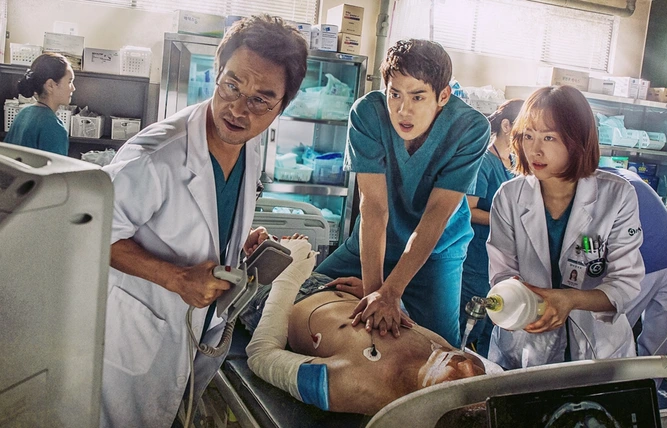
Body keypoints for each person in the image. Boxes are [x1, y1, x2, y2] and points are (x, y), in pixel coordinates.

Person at [99, 15, 308, 427]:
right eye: (232, 86)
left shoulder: (248, 146)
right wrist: (176, 278)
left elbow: (202, 216)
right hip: (137, 336)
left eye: (260, 100)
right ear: (217, 73)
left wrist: (237, 240)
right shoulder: (154, 156)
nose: (238, 109)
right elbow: (92, 233)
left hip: (199, 332)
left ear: (282, 106)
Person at [315, 39, 490, 347]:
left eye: (417, 97)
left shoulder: (470, 128)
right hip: (372, 244)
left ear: (443, 96)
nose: (403, 110)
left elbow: (436, 215)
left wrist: (391, 292)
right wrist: (374, 291)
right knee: (303, 295)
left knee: (440, 347)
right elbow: (373, 207)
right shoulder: (368, 114)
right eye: (394, 94)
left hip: (436, 252)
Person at [244, 236, 496, 415]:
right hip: (329, 283)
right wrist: (379, 296)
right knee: (259, 240)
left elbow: (261, 355)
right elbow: (403, 328)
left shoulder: (350, 384)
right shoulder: (457, 363)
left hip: (272, 299)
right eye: (478, 374)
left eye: (460, 381)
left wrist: (290, 274)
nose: (467, 364)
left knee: (237, 252)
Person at [486, 85, 645, 370]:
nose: (535, 149)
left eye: (549, 137)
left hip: (597, 348)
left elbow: (625, 283)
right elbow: (502, 272)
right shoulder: (509, 196)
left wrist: (571, 299)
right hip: (527, 341)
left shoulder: (617, 195)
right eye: (528, 136)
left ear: (577, 141)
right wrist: (521, 302)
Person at [600, 166, 667, 357]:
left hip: (644, 265)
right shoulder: (624, 175)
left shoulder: (600, 184)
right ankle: (652, 378)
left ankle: (609, 377)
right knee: (659, 349)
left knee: (608, 339)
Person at [460, 99, 523, 357]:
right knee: (469, 331)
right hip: (476, 262)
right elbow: (468, 210)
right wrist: (508, 220)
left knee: (493, 332)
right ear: (506, 126)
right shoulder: (484, 162)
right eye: (525, 128)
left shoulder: (514, 163)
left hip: (501, 264)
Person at [4, 53, 74, 155]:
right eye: (69, 82)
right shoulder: (54, 127)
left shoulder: (23, 113)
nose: (73, 88)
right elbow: (55, 165)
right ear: (50, 85)